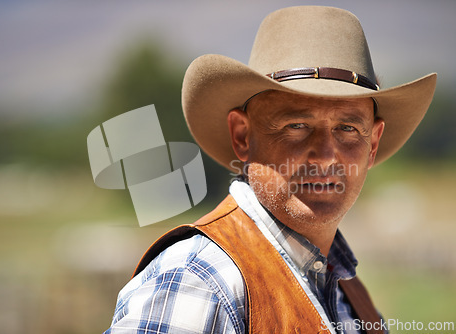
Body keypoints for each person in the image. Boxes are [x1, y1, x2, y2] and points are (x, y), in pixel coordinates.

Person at [103, 6, 436, 334]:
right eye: (297, 125)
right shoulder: (199, 281)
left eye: (348, 128)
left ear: (373, 143)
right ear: (243, 135)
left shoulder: (350, 295)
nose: (324, 156)